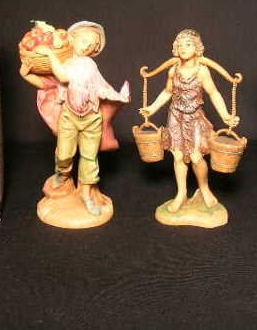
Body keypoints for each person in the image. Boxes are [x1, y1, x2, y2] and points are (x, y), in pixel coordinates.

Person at [20, 21, 129, 216]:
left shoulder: (89, 65)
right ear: (72, 39)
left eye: (93, 44)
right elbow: (46, 84)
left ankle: (86, 194)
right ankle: (62, 174)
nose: (88, 46)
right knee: (64, 154)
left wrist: (118, 96)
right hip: (69, 117)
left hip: (92, 119)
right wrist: (24, 73)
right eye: (85, 40)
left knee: (89, 157)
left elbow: (95, 85)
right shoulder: (64, 63)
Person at [139, 29, 239, 213]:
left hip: (194, 118)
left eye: (188, 44)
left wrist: (225, 115)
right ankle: (182, 193)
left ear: (197, 48)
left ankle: (204, 188)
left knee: (195, 156)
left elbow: (213, 93)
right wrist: (152, 108)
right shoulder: (173, 70)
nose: (183, 48)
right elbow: (167, 92)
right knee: (177, 156)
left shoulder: (202, 71)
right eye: (180, 45)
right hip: (175, 116)